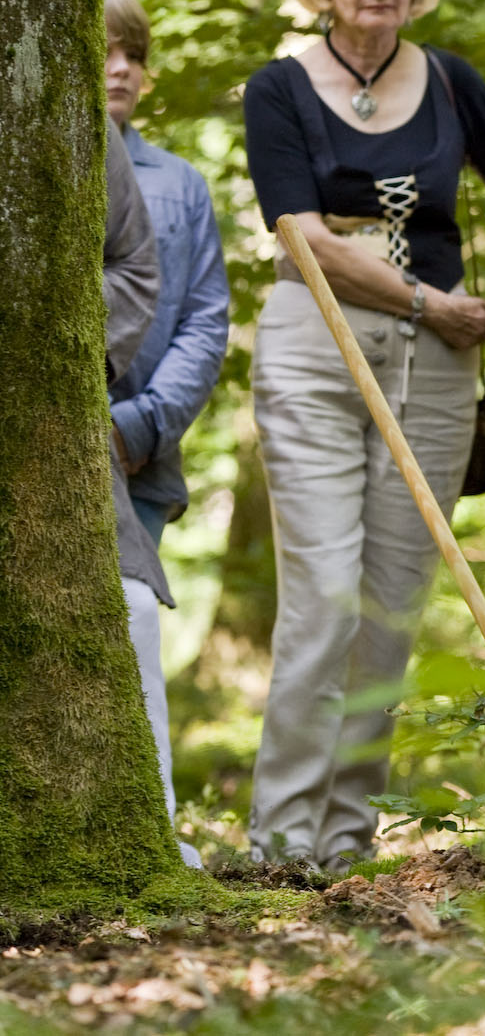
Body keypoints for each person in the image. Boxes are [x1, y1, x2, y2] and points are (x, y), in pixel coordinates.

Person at [243, 0, 485, 868]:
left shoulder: (454, 83)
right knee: (326, 592)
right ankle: (281, 836)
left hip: (441, 366)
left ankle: (345, 838)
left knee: (392, 603)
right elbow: (304, 235)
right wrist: (423, 301)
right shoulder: (277, 90)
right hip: (315, 348)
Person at [97, 76, 190, 865]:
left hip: (67, 419)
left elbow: (133, 267)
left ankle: (150, 834)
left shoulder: (76, 116)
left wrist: (46, 325)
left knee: (132, 605)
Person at [104, 0, 230, 547]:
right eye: (103, 51)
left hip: (142, 465)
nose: (121, 68)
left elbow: (205, 324)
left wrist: (136, 428)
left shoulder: (180, 185)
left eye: (133, 54)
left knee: (132, 618)